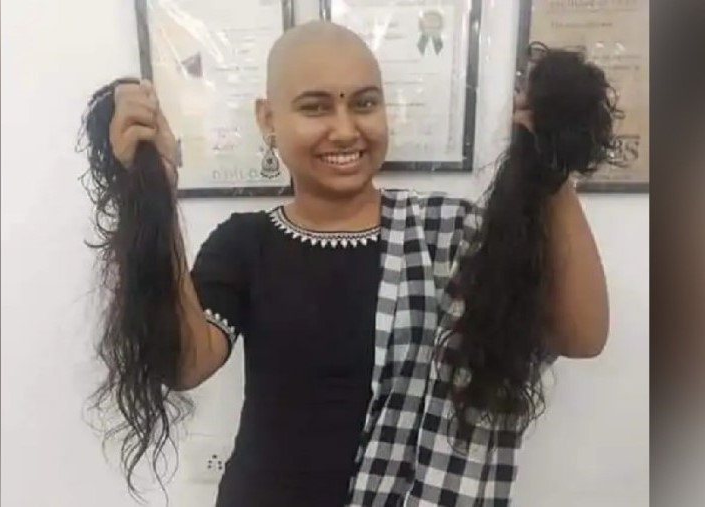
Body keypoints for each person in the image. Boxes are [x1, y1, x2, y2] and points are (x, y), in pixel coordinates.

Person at [104, 20, 609, 506]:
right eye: (315, 107)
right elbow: (186, 364)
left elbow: (581, 336)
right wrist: (154, 197)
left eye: (365, 103)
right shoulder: (245, 243)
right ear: (268, 119)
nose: (345, 130)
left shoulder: (453, 235)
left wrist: (550, 161)